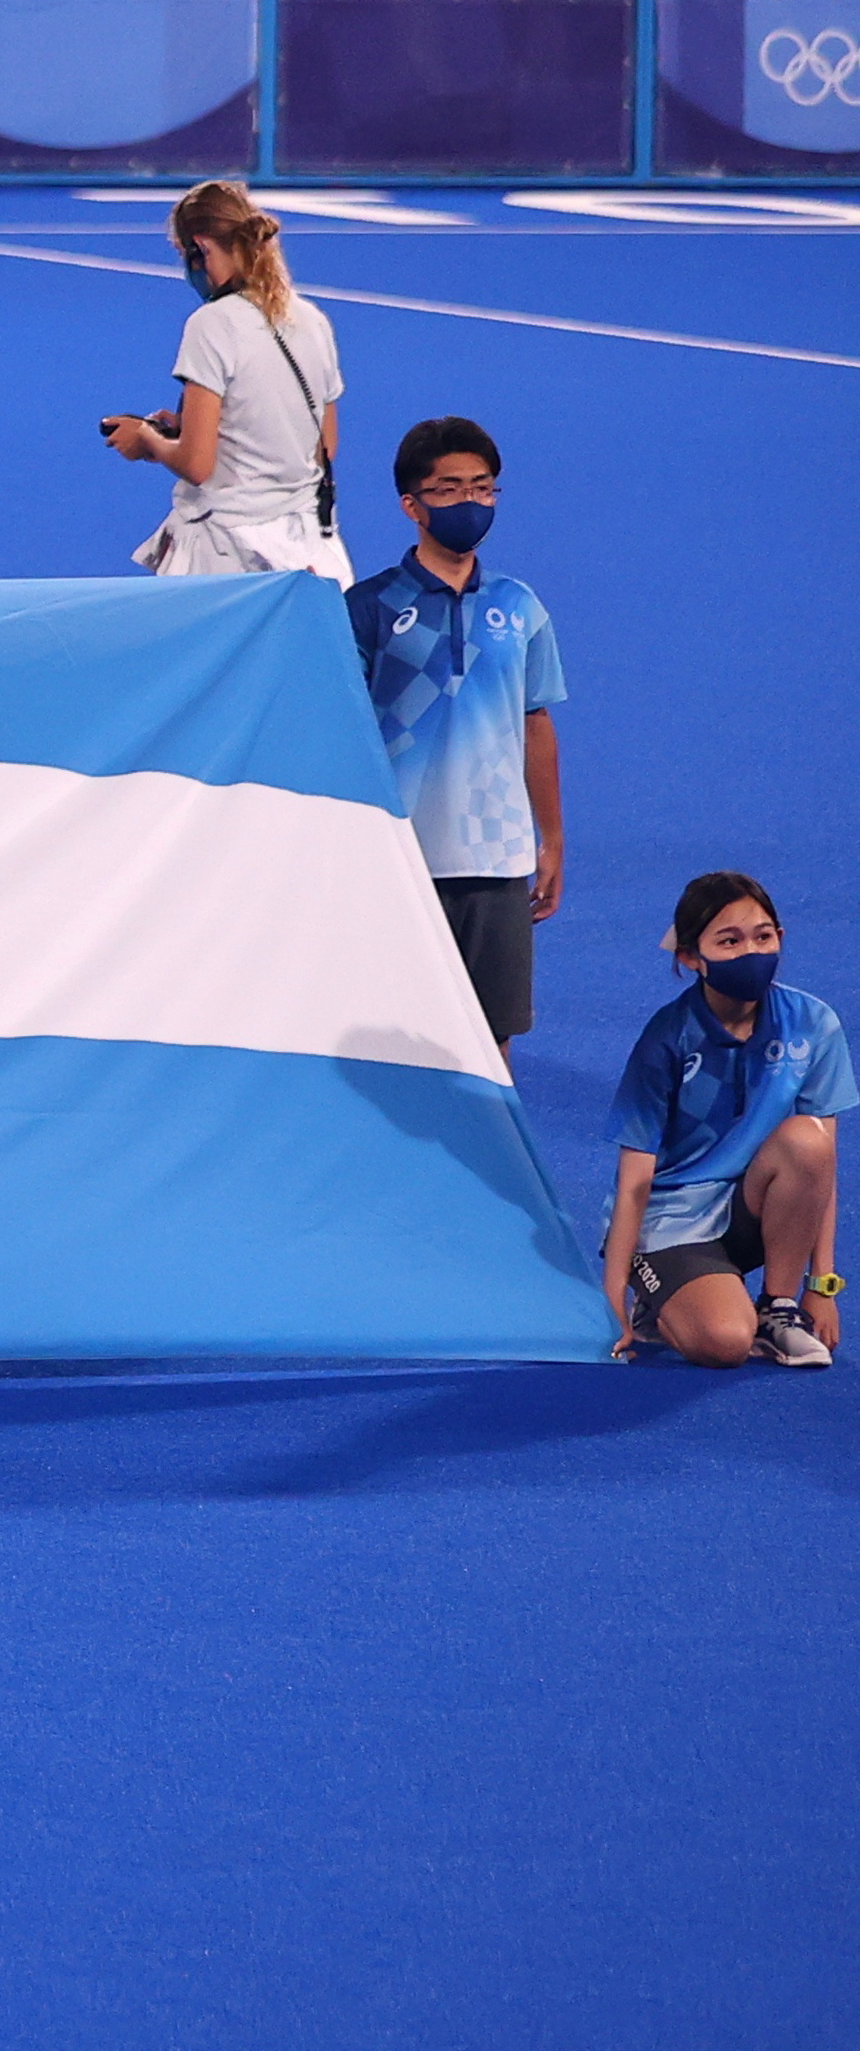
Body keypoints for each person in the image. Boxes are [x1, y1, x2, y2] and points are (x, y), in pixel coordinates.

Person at [347, 417, 563, 1045]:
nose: (469, 503)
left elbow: (536, 722)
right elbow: (343, 731)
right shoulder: (367, 609)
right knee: (390, 1039)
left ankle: (487, 1149)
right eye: (448, 490)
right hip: (397, 857)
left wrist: (549, 838)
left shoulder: (521, 607)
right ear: (411, 505)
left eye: (483, 488)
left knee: (492, 1045)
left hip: (497, 859)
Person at [605, 873, 844, 1370]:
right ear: (692, 957)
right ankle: (662, 1301)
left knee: (809, 1141)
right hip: (671, 1222)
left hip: (751, 1209)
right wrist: (611, 1300)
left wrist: (820, 1286)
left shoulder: (812, 1023)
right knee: (725, 1344)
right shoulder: (667, 1038)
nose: (751, 951)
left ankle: (778, 1309)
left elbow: (822, 1167)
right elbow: (634, 1181)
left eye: (763, 935)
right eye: (729, 941)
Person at [108, 179, 344, 582]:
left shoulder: (211, 324)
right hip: (309, 553)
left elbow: (196, 465)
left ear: (200, 248)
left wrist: (147, 439)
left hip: (226, 556)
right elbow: (324, 445)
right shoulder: (311, 319)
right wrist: (210, 426)